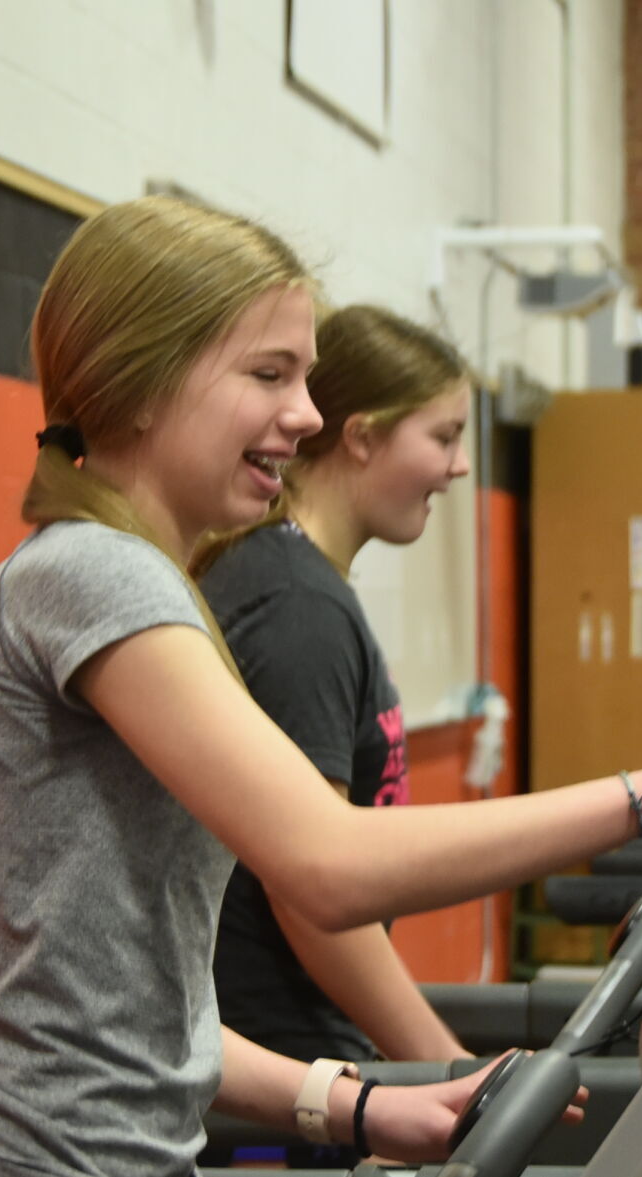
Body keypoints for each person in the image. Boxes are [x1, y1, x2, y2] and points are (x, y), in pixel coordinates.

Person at [0, 196, 642, 1177]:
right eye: (269, 374)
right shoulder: (93, 572)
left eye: (307, 377)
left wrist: (358, 1104)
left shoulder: (157, 580)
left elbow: (141, 1014)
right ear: (142, 381)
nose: (308, 414)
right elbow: (327, 865)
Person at [197, 306, 475, 1095]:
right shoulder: (298, 608)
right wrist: (450, 1071)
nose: (457, 468)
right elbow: (312, 892)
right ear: (360, 436)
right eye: (444, 436)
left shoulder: (300, 584)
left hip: (299, 1043)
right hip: (280, 1066)